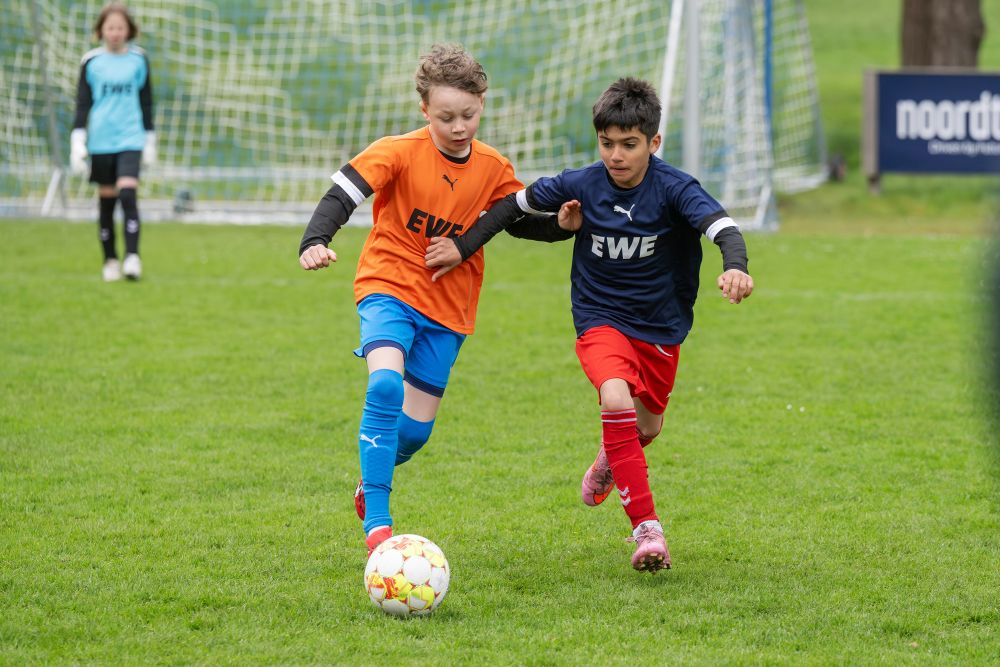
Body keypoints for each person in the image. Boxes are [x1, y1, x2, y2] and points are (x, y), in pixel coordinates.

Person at [425, 77, 754, 573]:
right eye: (607, 143)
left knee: (647, 426)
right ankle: (647, 530)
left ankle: (610, 458)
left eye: (629, 144)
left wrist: (736, 266)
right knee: (615, 398)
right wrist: (463, 246)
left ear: (654, 142)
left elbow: (722, 227)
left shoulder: (675, 188)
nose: (616, 155)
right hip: (599, 318)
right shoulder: (582, 182)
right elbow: (511, 207)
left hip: (661, 327)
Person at [298, 44, 575, 556]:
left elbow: (514, 222)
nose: (458, 126)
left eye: (468, 114)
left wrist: (561, 226)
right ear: (424, 108)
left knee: (414, 434)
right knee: (384, 385)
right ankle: (378, 524)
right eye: (446, 117)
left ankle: (368, 479)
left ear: (482, 103)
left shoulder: (493, 167)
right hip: (388, 286)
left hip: (449, 308)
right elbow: (343, 194)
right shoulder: (397, 151)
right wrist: (315, 241)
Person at [70, 2, 156, 282]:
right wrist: (78, 138)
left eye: (120, 27)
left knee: (128, 194)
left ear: (129, 30)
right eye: (110, 28)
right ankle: (110, 260)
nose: (115, 32)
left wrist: (150, 138)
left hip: (130, 137)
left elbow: (146, 101)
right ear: (101, 30)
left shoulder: (139, 60)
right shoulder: (91, 62)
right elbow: (83, 103)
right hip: (101, 141)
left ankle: (132, 257)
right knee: (106, 202)